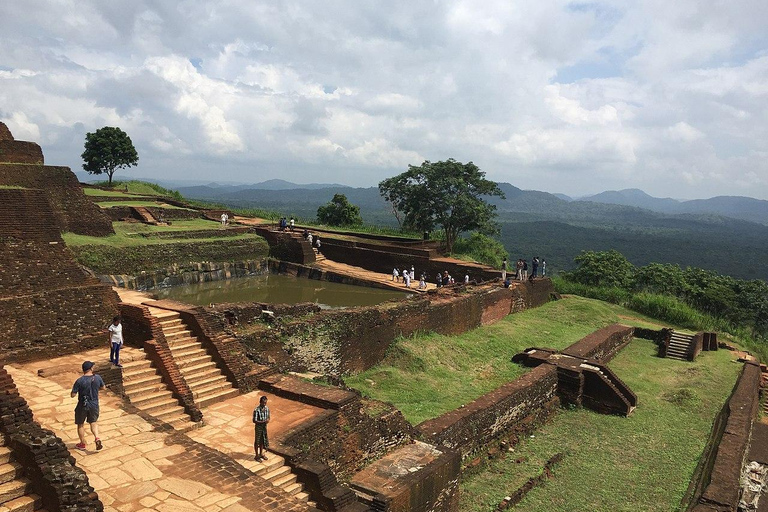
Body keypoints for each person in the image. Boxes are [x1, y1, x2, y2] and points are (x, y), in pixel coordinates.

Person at [71, 361, 105, 451]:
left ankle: (82, 443)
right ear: (91, 369)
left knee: (80, 424)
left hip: (83, 404)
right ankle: (97, 437)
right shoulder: (97, 378)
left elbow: (73, 395)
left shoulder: (79, 381)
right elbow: (103, 387)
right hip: (94, 403)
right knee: (93, 422)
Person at [253, 396, 270, 461]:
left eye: (265, 403)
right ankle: (257, 455)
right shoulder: (256, 410)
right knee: (257, 441)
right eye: (263, 403)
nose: (264, 404)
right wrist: (262, 422)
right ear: (260, 402)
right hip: (258, 427)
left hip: (264, 427)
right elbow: (254, 420)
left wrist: (267, 420)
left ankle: (261, 453)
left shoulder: (267, 409)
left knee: (262, 440)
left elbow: (268, 417)